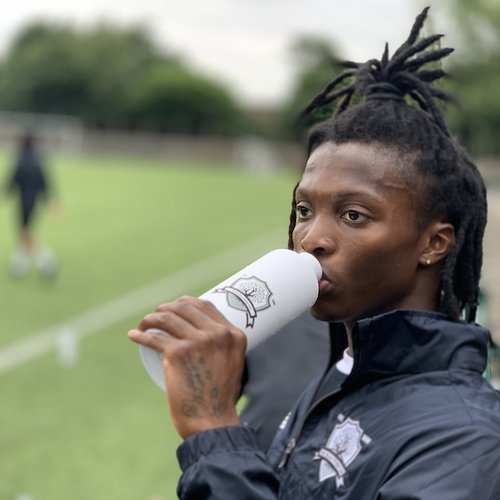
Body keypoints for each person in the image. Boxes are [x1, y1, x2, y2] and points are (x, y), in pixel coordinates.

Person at [128, 7, 500, 499]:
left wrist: (214, 431)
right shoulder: (344, 371)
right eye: (305, 210)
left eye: (353, 216)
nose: (311, 238)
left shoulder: (465, 439)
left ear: (434, 244)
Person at [4, 131, 58, 279]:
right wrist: (49, 201)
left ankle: (46, 260)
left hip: (23, 203)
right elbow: (44, 182)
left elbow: (13, 180)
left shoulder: (21, 160)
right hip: (34, 203)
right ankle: (20, 264)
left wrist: (5, 193)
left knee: (26, 233)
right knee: (25, 233)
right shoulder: (37, 160)